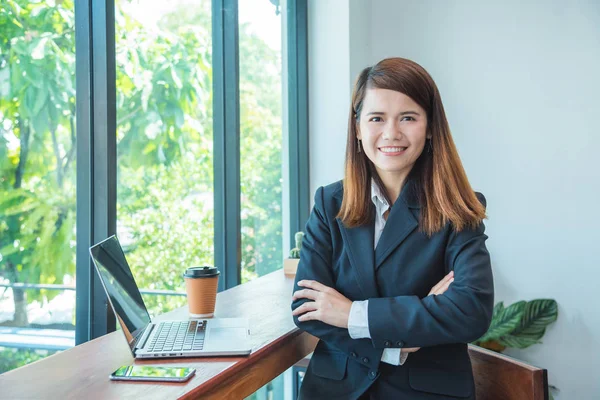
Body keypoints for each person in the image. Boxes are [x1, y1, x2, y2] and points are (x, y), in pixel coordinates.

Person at [291, 57, 494, 400]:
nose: (391, 133)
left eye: (408, 118)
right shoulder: (330, 203)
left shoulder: (458, 207)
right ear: (357, 128)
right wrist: (399, 340)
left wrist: (351, 313)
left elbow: (470, 312)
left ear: (430, 127)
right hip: (334, 390)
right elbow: (308, 310)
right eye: (376, 118)